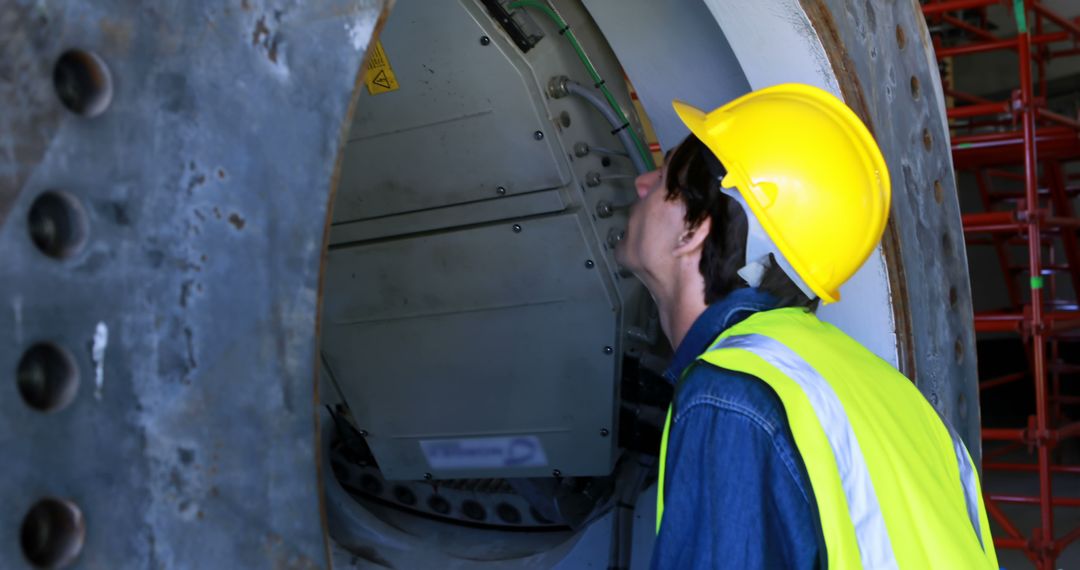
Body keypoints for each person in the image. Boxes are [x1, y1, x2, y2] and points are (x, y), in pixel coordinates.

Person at [614, 83, 999, 569]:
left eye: (664, 175)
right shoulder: (890, 391)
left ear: (694, 230)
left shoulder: (733, 395)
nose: (640, 184)